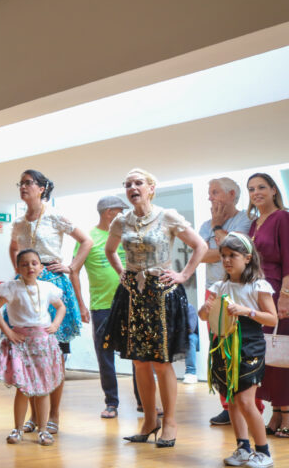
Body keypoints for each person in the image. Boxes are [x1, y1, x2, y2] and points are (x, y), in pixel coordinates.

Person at [103, 168, 207, 448]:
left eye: (138, 183)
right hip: (133, 295)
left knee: (162, 362)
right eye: (128, 184)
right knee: (139, 362)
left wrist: (183, 274)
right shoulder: (121, 221)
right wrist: (122, 271)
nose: (132, 188)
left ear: (151, 188)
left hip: (162, 293)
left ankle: (170, 421)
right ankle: (149, 420)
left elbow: (200, 245)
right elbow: (110, 250)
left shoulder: (167, 216)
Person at [8, 169, 92, 434]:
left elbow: (86, 241)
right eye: (20, 183)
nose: (23, 187)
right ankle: (35, 417)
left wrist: (71, 266)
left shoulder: (55, 215)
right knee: (30, 353)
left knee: (55, 354)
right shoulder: (19, 223)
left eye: (28, 183)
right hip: (26, 287)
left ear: (42, 188)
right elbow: (13, 248)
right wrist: (19, 271)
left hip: (53, 284)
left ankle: (54, 414)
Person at [199, 232, 277, 468]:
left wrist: (247, 311)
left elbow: (272, 319)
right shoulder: (219, 285)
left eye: (232, 255)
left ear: (247, 257)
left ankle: (263, 452)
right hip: (223, 344)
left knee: (245, 400)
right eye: (223, 255)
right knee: (231, 400)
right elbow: (205, 316)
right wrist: (205, 308)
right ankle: (243, 447)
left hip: (249, 344)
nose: (226, 260)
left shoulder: (258, 285)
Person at [0, 249, 66, 446]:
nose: (30, 267)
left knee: (43, 389)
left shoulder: (48, 287)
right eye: (24, 264)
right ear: (17, 268)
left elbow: (61, 307)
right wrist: (9, 332)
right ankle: (17, 428)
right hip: (21, 343)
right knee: (23, 389)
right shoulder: (12, 288)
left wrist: (56, 324)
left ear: (41, 267)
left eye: (34, 263)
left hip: (42, 343)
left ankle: (43, 430)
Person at [199, 177, 257, 425]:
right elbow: (202, 255)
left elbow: (235, 250)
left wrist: (218, 227)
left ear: (232, 194)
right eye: (209, 193)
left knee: (243, 349)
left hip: (242, 293)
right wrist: (216, 232)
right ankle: (228, 404)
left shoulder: (245, 220)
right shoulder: (205, 224)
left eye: (215, 193)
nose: (210, 198)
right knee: (219, 349)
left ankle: (251, 404)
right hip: (214, 291)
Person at [69, 195, 128, 419]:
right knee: (105, 355)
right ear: (108, 213)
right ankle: (111, 403)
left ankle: (144, 402)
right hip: (101, 305)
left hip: (130, 303)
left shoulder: (128, 235)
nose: (124, 214)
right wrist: (81, 305)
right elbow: (74, 270)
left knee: (139, 355)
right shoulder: (88, 238)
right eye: (120, 210)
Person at [246, 172, 289, 438]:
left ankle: (287, 413)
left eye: (261, 187)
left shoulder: (283, 218)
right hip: (258, 293)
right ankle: (276, 412)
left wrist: (286, 295)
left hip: (279, 292)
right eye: (251, 189)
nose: (256, 192)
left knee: (283, 352)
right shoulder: (253, 224)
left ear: (274, 190)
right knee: (268, 355)